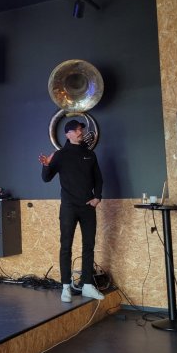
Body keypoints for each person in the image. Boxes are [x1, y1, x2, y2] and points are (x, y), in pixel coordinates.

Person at [39, 119, 104, 302]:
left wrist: (97, 197)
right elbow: (46, 178)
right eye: (76, 130)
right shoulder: (60, 155)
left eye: (81, 129)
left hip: (87, 207)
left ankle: (88, 286)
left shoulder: (90, 154)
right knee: (65, 246)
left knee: (88, 245)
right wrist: (46, 165)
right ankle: (66, 287)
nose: (80, 132)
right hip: (68, 207)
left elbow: (98, 179)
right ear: (67, 134)